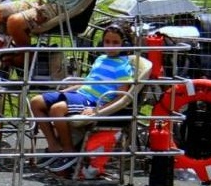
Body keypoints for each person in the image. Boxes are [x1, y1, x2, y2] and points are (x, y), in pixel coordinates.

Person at [28, 24, 134, 174]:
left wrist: (97, 110)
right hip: (80, 94)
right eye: (107, 42)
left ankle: (68, 151)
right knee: (36, 101)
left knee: (57, 109)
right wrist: (68, 90)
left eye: (115, 43)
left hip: (93, 101)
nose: (110, 46)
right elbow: (88, 82)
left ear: (125, 44)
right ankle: (54, 146)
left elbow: (122, 97)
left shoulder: (123, 67)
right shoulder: (101, 58)